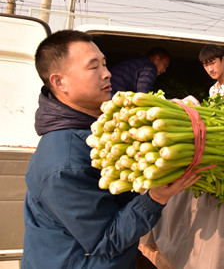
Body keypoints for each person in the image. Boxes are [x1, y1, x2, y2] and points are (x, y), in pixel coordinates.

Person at [22, 30, 199, 268]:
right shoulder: (63, 163)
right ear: (59, 81)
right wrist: (157, 197)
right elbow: (106, 241)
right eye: (93, 67)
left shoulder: (95, 126)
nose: (107, 73)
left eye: (105, 64)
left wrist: (171, 113)